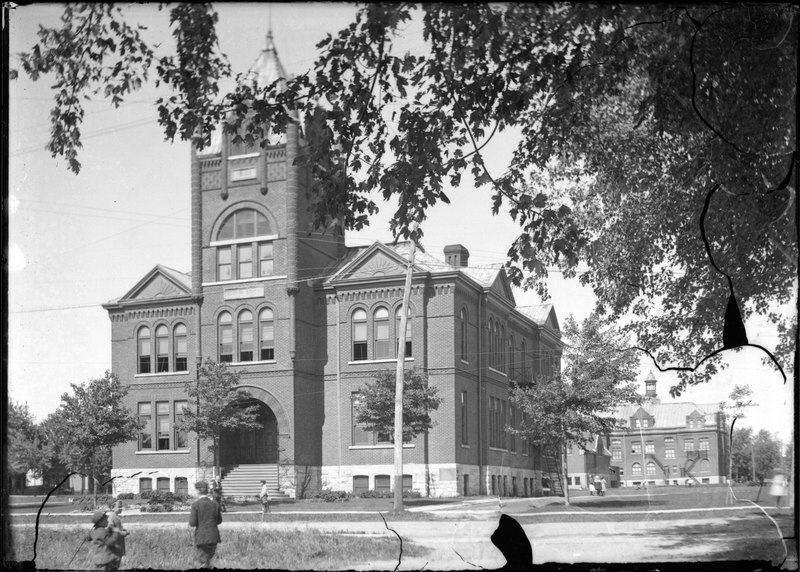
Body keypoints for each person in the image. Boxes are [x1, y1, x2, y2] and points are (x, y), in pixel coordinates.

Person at [189, 481, 223, 569]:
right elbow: (219, 520)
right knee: (210, 560)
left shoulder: (196, 505)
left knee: (202, 562)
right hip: (214, 536)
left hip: (202, 536)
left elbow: (192, 523)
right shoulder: (215, 504)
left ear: (198, 491)